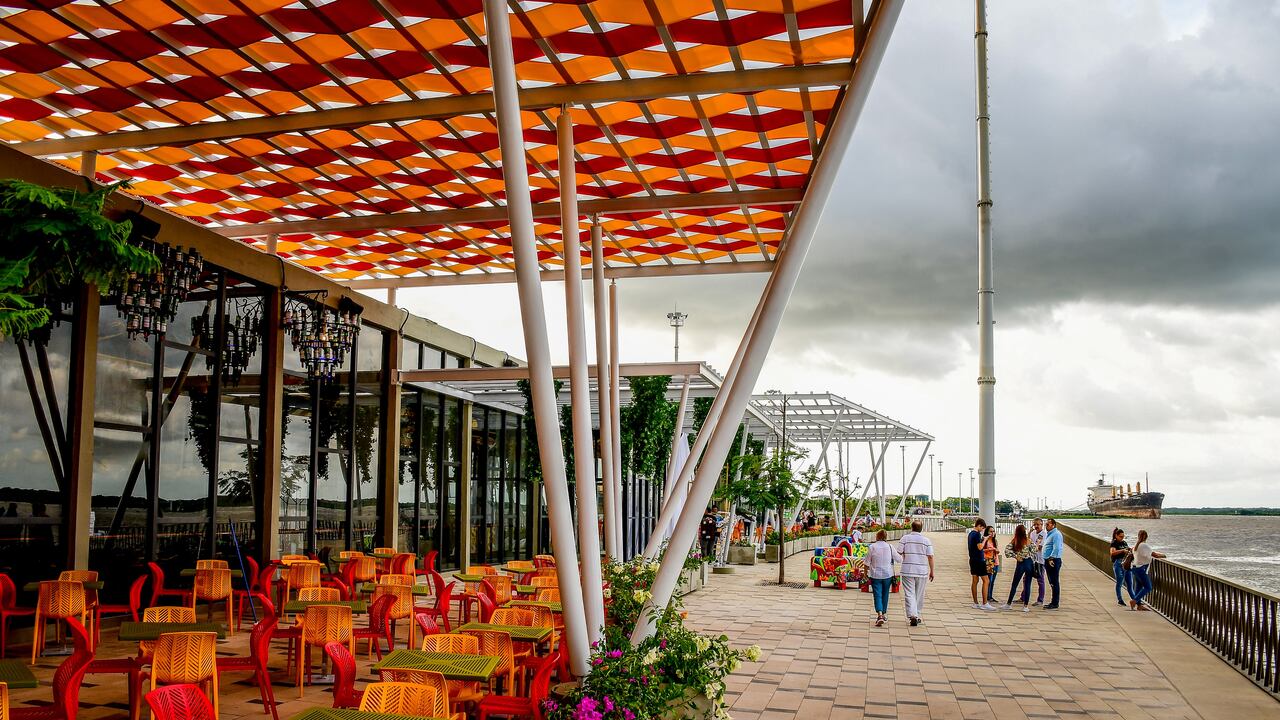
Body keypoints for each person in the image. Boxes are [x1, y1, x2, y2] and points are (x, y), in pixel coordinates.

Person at [897, 520, 934, 626]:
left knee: (909, 593)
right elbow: (930, 556)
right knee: (919, 594)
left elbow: (899, 552)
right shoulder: (926, 540)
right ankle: (916, 614)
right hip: (921, 571)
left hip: (907, 570)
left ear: (911, 527)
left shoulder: (905, 538)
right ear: (921, 529)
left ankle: (912, 615)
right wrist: (932, 571)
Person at [865, 529, 900, 627]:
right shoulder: (890, 546)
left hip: (875, 575)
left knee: (877, 595)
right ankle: (883, 614)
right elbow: (899, 559)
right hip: (887, 575)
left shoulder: (872, 547)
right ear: (885, 537)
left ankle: (880, 614)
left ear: (877, 536)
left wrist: (865, 574)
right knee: (885, 594)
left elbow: (867, 562)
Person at [1129, 529, 1165, 611]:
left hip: (1135, 568)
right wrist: (1164, 556)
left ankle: (1139, 605)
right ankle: (1134, 601)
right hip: (1141, 569)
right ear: (1146, 537)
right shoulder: (1144, 546)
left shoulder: (1135, 546)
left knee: (1138, 586)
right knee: (1148, 587)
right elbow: (1155, 555)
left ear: (1138, 536)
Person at [1002, 524, 1035, 612]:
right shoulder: (1028, 540)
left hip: (1020, 563)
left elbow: (1007, 550)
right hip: (1029, 563)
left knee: (1015, 584)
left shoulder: (1015, 541)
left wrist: (1016, 556)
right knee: (1027, 585)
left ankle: (1008, 604)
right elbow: (1034, 550)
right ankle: (1025, 606)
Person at [968, 518, 995, 610]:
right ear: (979, 526)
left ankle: (975, 603)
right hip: (979, 560)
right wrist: (985, 540)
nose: (982, 530)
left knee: (975, 581)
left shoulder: (970, 534)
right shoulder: (977, 534)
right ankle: (985, 603)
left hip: (972, 560)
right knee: (986, 581)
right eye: (982, 528)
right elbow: (980, 547)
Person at [1042, 518, 1064, 609]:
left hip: (1053, 561)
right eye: (1045, 524)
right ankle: (1053, 601)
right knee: (1051, 581)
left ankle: (1055, 603)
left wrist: (1051, 558)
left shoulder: (1056, 534)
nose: (1046, 526)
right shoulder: (1050, 534)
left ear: (1053, 525)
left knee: (1054, 582)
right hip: (1048, 560)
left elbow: (1057, 548)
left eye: (1048, 524)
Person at [1109, 528, 1134, 607]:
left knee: (1130, 583)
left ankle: (1136, 600)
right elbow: (1112, 553)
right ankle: (1120, 599)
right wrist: (1122, 551)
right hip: (1118, 564)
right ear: (1116, 535)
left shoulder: (1124, 542)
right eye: (1120, 536)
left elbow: (1126, 550)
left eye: (1123, 536)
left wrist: (1129, 550)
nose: (1122, 538)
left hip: (1126, 564)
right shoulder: (1114, 543)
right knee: (1120, 582)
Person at [1026, 518, 1047, 606]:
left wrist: (1031, 547)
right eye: (1035, 524)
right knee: (1026, 578)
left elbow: (1039, 547)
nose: (1036, 526)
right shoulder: (1033, 533)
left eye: (1038, 524)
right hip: (1031, 559)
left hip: (1040, 560)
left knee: (1040, 579)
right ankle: (1023, 596)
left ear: (1042, 525)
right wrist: (1029, 533)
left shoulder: (1044, 534)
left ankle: (1040, 599)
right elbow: (1026, 544)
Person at [983, 526, 1001, 603]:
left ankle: (990, 596)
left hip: (996, 561)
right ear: (987, 532)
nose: (992, 533)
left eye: (993, 531)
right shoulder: (985, 540)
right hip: (989, 561)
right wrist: (989, 549)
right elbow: (981, 550)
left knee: (993, 580)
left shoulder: (995, 541)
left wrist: (996, 551)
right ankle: (987, 596)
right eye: (990, 531)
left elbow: (997, 550)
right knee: (989, 580)